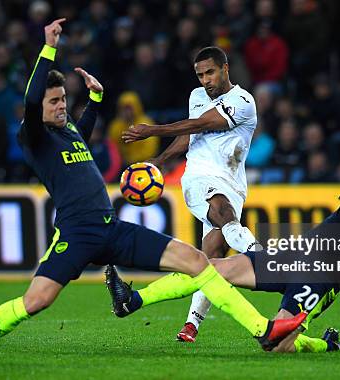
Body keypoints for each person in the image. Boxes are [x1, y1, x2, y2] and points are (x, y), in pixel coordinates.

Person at [0, 19, 304, 361]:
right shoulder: (34, 137)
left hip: (111, 227)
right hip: (77, 234)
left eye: (62, 100)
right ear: (37, 106)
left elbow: (84, 131)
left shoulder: (68, 132)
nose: (61, 107)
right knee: (35, 301)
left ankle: (263, 329)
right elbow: (30, 98)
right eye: (54, 101)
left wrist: (94, 99)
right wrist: (49, 47)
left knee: (197, 261)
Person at [110, 88, 340, 353]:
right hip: (295, 255)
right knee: (208, 267)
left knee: (276, 345)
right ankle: (132, 300)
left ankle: (325, 343)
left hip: (322, 278)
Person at [120, 46, 261, 343]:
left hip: (233, 183)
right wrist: (157, 163)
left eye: (210, 72)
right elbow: (188, 137)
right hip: (197, 179)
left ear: (225, 69)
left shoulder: (243, 101)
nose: (205, 80)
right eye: (200, 75)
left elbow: (201, 124)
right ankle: (263, 259)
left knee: (211, 258)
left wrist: (151, 131)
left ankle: (188, 323)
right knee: (223, 214)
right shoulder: (196, 97)